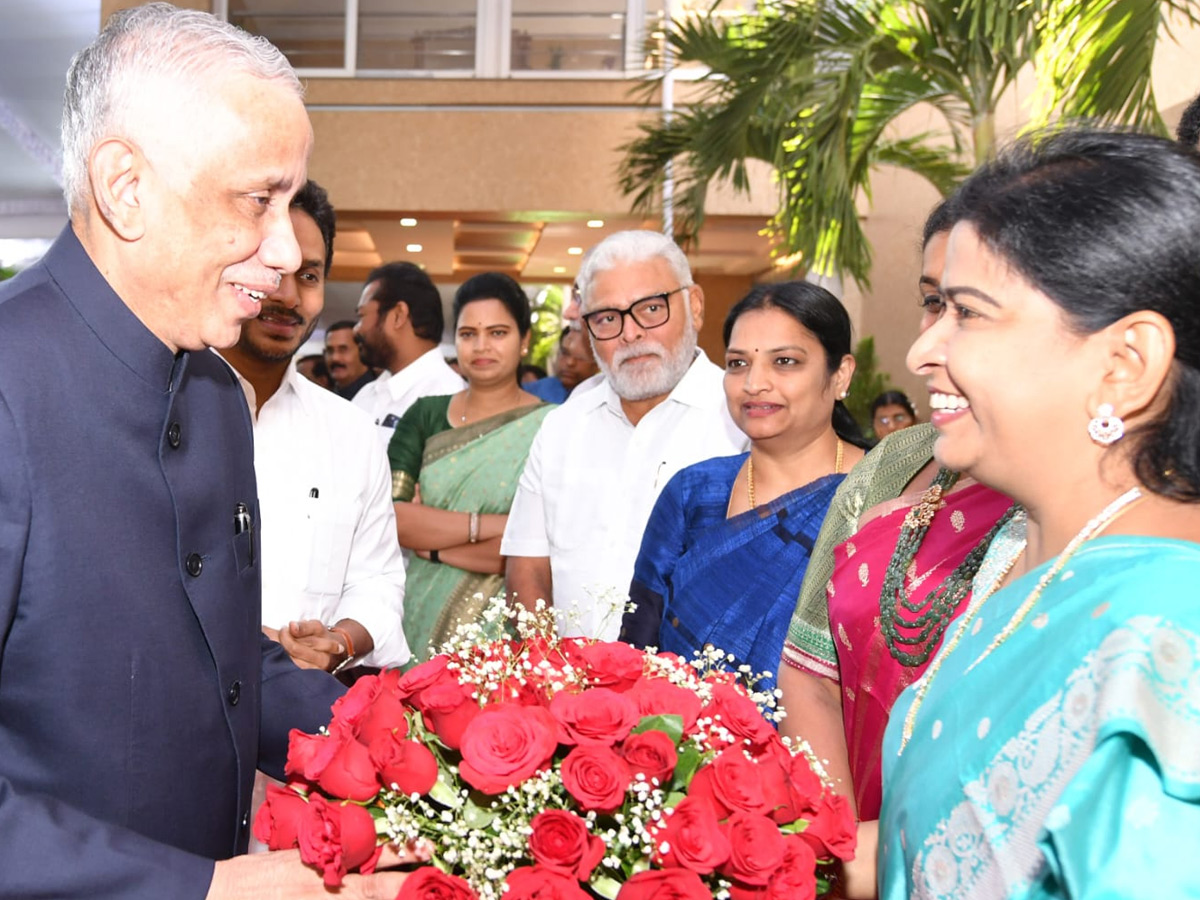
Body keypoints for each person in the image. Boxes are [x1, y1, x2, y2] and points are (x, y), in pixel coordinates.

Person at [0, 5, 417, 898]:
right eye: (257, 200)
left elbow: (228, 664)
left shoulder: (218, 398)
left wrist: (417, 735)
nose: (282, 253)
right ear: (126, 187)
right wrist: (204, 889)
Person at [879, 128, 1200, 899]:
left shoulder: (1166, 645)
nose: (923, 352)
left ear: (1124, 367)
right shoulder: (1032, 560)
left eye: (968, 313)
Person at [776, 201, 1017, 893]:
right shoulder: (897, 461)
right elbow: (809, 662)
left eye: (969, 310)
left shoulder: (1089, 506)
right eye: (932, 302)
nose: (929, 343)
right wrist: (839, 841)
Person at [620, 282, 867, 692]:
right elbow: (635, 653)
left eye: (784, 361)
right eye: (737, 364)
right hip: (686, 747)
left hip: (840, 752)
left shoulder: (887, 493)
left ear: (840, 375)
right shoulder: (694, 493)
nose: (754, 383)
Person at [501, 230, 747, 640]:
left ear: (695, 306)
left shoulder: (742, 421)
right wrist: (550, 673)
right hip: (570, 691)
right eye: (607, 318)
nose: (630, 333)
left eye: (651, 308)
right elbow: (527, 564)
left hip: (697, 694)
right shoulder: (563, 426)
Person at [218, 180, 409, 674]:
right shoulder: (162, 410)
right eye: (271, 268)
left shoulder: (351, 432)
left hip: (311, 723)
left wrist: (339, 642)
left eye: (308, 275)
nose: (287, 294)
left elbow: (379, 581)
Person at [389, 272, 552, 662]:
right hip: (419, 612)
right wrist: (499, 527)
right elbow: (393, 518)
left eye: (498, 333)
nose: (482, 346)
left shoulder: (553, 425)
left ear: (524, 340)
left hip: (508, 622)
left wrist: (432, 546)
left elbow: (541, 548)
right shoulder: (425, 415)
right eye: (468, 334)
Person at [352, 261, 464, 445]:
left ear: (398, 315)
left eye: (362, 316)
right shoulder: (366, 394)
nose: (356, 330)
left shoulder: (448, 399)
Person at [526, 326, 600, 403]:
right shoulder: (532, 393)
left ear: (597, 364)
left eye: (580, 357)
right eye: (565, 353)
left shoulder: (602, 399)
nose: (570, 362)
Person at [324, 319, 375, 398]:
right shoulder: (324, 397)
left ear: (362, 350)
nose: (335, 358)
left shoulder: (378, 395)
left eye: (343, 350)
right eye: (330, 351)